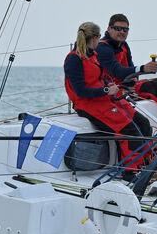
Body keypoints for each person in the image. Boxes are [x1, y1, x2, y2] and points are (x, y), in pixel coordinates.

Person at [64, 21, 152, 179]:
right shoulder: (73, 59)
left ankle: (147, 165)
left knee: (143, 123)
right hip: (88, 104)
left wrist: (109, 85)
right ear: (95, 37)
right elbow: (80, 91)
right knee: (128, 131)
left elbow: (101, 78)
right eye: (98, 38)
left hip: (104, 99)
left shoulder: (94, 55)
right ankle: (130, 172)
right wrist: (105, 90)